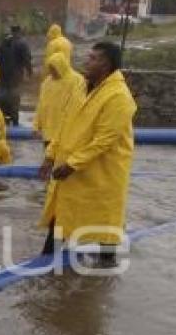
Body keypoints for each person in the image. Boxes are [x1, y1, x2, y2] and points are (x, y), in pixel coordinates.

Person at [39, 42, 137, 264]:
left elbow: (104, 140)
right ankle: (46, 268)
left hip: (101, 175)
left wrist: (72, 164)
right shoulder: (81, 88)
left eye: (92, 58)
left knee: (105, 230)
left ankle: (103, 276)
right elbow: (64, 124)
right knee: (60, 219)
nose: (86, 61)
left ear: (106, 64)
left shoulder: (119, 97)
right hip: (72, 171)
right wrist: (50, 156)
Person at [34, 38, 86, 146]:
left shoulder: (76, 80)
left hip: (67, 134)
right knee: (48, 158)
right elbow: (41, 105)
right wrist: (36, 126)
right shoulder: (47, 82)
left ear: (61, 66)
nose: (52, 72)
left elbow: (77, 106)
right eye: (50, 68)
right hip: (48, 133)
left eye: (54, 69)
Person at [0, 25, 32, 126]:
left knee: (2, 99)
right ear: (19, 31)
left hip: (2, 76)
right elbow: (27, 59)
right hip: (15, 77)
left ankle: (2, 120)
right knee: (14, 99)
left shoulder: (3, 42)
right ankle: (15, 122)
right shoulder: (22, 43)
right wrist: (29, 72)